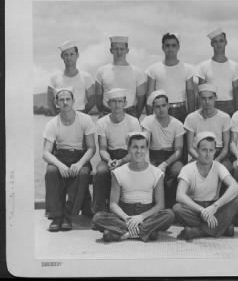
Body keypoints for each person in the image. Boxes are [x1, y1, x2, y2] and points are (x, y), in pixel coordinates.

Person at [92, 132, 175, 242]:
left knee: (169, 215)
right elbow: (113, 204)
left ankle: (124, 233)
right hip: (124, 212)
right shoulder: (118, 172)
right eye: (135, 147)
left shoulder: (156, 172)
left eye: (142, 147)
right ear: (128, 149)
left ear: (146, 149)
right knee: (97, 218)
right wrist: (127, 218)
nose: (139, 151)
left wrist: (141, 217)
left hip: (147, 214)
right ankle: (145, 232)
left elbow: (160, 205)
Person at [42, 87, 96, 232]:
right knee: (51, 172)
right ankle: (56, 216)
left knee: (83, 173)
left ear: (73, 101)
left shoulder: (85, 119)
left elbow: (91, 148)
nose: (65, 102)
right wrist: (60, 166)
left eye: (68, 99)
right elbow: (46, 153)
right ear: (56, 103)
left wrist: (79, 164)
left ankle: (68, 215)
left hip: (79, 156)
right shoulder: (52, 123)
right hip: (60, 156)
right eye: (61, 99)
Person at [173, 132, 238, 240]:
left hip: (214, 206)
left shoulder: (218, 166)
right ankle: (221, 228)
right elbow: (180, 195)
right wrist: (202, 211)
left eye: (211, 150)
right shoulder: (188, 168)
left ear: (215, 151)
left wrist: (215, 207)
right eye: (204, 150)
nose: (208, 154)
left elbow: (235, 187)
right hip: (195, 209)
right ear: (197, 151)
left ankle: (197, 232)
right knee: (177, 209)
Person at [93, 88, 141, 213]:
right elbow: (102, 148)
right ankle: (99, 211)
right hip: (110, 155)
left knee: (131, 172)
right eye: (113, 101)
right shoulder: (102, 122)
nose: (117, 105)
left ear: (125, 103)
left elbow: (136, 148)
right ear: (108, 104)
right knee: (101, 171)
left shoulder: (133, 122)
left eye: (120, 101)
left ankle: (129, 209)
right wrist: (109, 161)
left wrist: (121, 162)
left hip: (129, 156)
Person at [141, 90, 185, 208]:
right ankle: (150, 205)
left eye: (163, 106)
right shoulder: (148, 121)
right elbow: (144, 144)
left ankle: (174, 204)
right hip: (153, 156)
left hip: (171, 157)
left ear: (168, 105)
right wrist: (148, 164)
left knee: (178, 170)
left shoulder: (177, 124)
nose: (161, 109)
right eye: (157, 107)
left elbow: (178, 151)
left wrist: (165, 164)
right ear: (153, 108)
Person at [145, 32, 196, 123]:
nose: (170, 48)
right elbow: (149, 96)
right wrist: (149, 118)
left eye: (173, 45)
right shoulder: (153, 69)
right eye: (167, 45)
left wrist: (190, 117)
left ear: (178, 47)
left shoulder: (187, 69)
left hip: (181, 111)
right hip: (160, 110)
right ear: (163, 47)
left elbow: (191, 95)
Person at [95, 36, 146, 118]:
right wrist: (103, 112)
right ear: (111, 50)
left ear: (127, 50)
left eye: (122, 49)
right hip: (107, 113)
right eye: (116, 49)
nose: (119, 52)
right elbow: (98, 97)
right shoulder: (101, 71)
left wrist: (136, 115)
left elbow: (142, 98)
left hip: (130, 113)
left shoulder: (137, 72)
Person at [184, 84, 232, 172]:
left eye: (210, 98)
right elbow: (190, 148)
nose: (207, 102)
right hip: (198, 154)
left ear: (215, 98)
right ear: (199, 99)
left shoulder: (225, 117)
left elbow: (225, 148)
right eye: (203, 98)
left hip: (218, 153)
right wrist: (202, 159)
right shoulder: (191, 118)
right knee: (189, 171)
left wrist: (216, 162)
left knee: (227, 168)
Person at [196, 28, 238, 116]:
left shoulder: (234, 66)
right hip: (210, 105)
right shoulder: (203, 66)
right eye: (215, 42)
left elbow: (236, 93)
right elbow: (200, 93)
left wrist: (237, 114)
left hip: (230, 106)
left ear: (226, 42)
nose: (218, 44)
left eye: (221, 41)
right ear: (211, 44)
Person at [47, 40, 96, 116]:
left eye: (71, 54)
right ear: (62, 56)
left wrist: (82, 114)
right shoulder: (54, 78)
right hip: (61, 117)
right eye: (66, 55)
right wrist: (56, 116)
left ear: (77, 55)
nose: (69, 57)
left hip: (80, 116)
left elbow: (92, 100)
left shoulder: (87, 77)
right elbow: (50, 100)